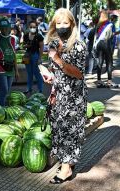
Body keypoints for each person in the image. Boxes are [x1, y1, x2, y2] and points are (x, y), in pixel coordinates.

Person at [45, 8, 88, 184]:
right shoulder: (54, 44)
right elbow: (56, 71)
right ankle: (67, 163)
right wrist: (51, 78)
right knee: (59, 130)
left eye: (65, 23)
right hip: (59, 93)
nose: (62, 26)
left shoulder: (78, 45)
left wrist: (58, 61)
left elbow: (79, 73)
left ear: (72, 24)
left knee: (70, 131)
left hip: (74, 96)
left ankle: (66, 169)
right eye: (59, 23)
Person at [93, 10, 116, 88]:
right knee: (109, 62)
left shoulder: (98, 25)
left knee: (100, 62)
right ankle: (109, 81)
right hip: (107, 43)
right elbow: (112, 36)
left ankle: (99, 80)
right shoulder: (110, 24)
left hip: (99, 44)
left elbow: (95, 36)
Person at [23, 20, 44, 95]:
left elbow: (41, 48)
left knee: (37, 73)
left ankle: (40, 89)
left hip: (35, 55)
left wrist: (40, 58)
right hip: (26, 55)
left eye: (34, 27)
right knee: (29, 73)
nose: (32, 28)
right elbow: (23, 45)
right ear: (29, 27)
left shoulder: (39, 36)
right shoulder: (25, 35)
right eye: (31, 27)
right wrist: (25, 46)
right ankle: (29, 88)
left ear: (36, 27)